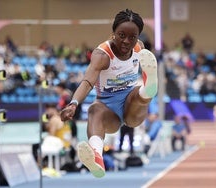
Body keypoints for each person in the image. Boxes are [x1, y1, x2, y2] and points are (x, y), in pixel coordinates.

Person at [60, 9, 158, 178]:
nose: (126, 41)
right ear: (113, 33)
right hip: (108, 109)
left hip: (132, 105)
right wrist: (73, 103)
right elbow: (87, 81)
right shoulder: (102, 55)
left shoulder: (139, 48)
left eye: (132, 37)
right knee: (93, 110)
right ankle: (97, 158)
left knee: (137, 94)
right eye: (121, 35)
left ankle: (148, 88)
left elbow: (137, 52)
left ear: (138, 38)